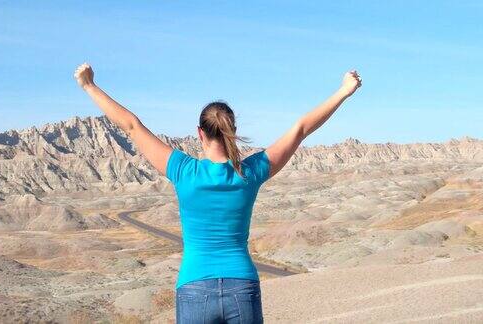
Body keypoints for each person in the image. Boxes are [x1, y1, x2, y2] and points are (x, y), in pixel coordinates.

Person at [74, 63, 362, 323]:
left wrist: (89, 86)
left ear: (200, 133)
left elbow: (131, 125)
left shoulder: (184, 171)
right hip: (242, 284)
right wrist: (343, 92)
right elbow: (300, 129)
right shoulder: (250, 172)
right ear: (233, 131)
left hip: (194, 287)